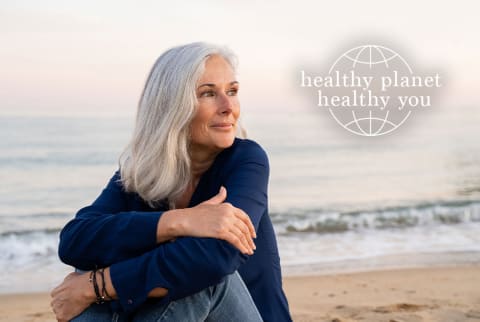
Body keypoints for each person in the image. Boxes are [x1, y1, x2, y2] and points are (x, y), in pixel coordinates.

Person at [50, 42, 292, 322]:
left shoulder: (247, 159)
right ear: (172, 105)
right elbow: (75, 241)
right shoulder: (141, 172)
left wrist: (97, 285)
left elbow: (214, 259)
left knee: (201, 275)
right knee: (99, 272)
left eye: (232, 91)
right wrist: (177, 221)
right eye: (208, 94)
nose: (229, 107)